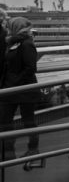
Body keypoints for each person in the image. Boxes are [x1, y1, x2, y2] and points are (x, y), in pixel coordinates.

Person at [0, 17, 40, 160]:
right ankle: (8, 151)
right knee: (5, 120)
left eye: (9, 26)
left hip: (24, 89)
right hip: (9, 89)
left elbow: (30, 68)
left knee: (28, 120)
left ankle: (33, 149)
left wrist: (15, 83)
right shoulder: (12, 42)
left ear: (16, 27)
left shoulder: (26, 43)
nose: (7, 27)